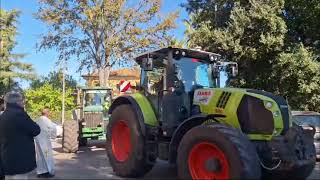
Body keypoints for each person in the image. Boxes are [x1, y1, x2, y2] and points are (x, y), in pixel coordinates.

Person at [0, 91, 41, 180]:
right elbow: (36, 130)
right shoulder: (20, 114)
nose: (23, 103)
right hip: (20, 160)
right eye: (22, 101)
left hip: (6, 159)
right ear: (18, 102)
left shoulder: (2, 116)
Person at [34, 108, 57, 178]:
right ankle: (47, 171)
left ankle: (40, 172)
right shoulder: (46, 120)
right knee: (47, 156)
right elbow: (53, 128)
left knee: (40, 157)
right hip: (45, 143)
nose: (49, 113)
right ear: (47, 113)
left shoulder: (37, 120)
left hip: (38, 142)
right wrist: (53, 136)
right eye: (49, 112)